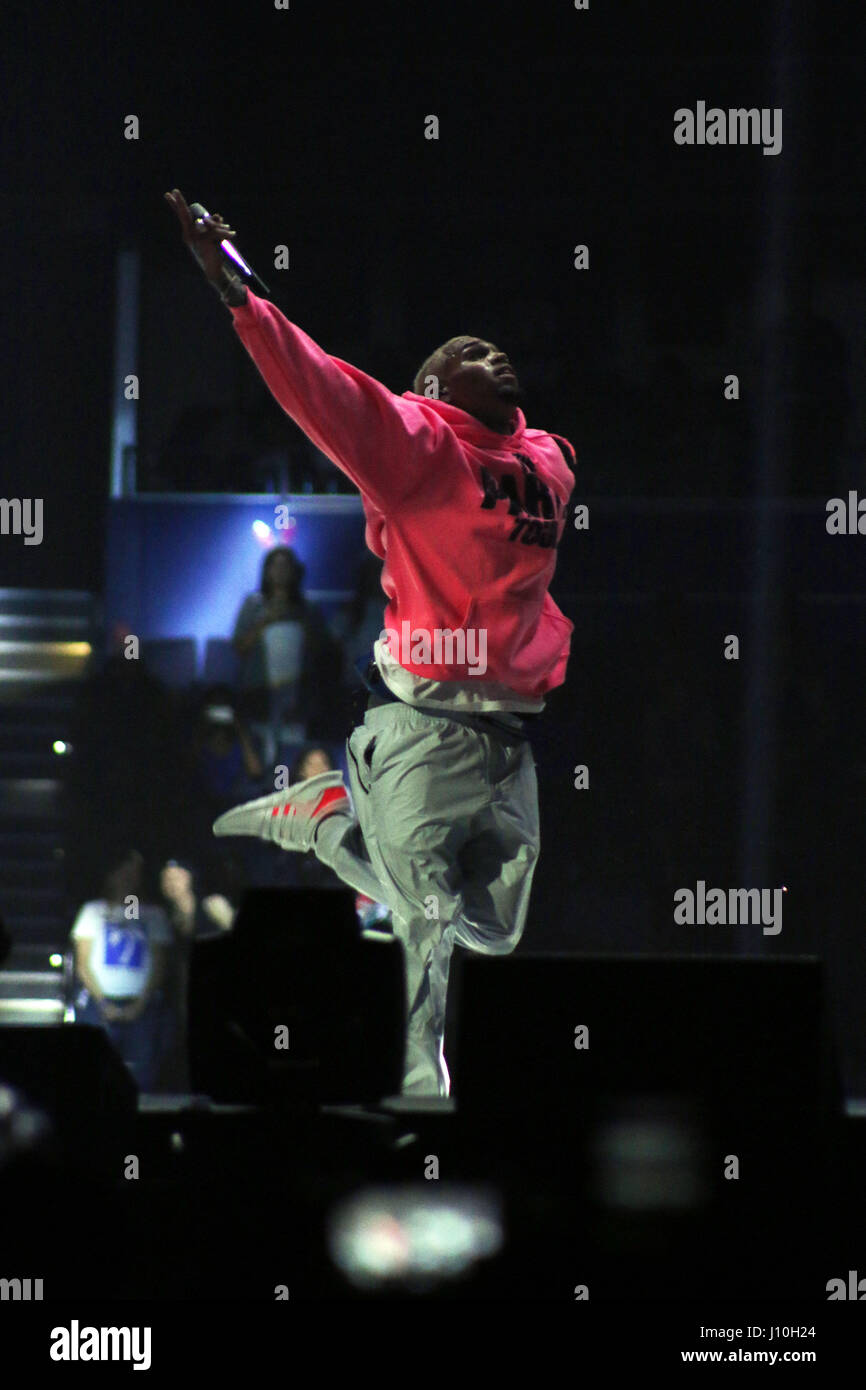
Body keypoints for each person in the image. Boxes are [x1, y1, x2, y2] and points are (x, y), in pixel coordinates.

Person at [165, 190, 576, 1097]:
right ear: (429, 391)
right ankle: (420, 1115)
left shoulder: (550, 460)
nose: (491, 353)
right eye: (465, 355)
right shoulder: (417, 445)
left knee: (494, 931)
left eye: (496, 348)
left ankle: (330, 821)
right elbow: (321, 385)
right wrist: (237, 289)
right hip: (422, 726)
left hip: (509, 740)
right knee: (425, 932)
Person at [70, 849, 173, 1092]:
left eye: (134, 872)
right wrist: (103, 1003)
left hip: (142, 1008)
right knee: (93, 1073)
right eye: (124, 871)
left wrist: (138, 1005)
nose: (129, 877)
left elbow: (159, 965)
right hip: (98, 1007)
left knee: (141, 1075)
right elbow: (82, 963)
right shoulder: (92, 911)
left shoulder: (153, 915)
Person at [232, 546, 344, 762]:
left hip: (298, 696)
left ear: (295, 571)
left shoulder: (308, 608)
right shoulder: (252, 605)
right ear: (266, 571)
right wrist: (266, 621)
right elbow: (239, 647)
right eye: (275, 565)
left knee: (292, 757)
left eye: (285, 565)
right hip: (260, 693)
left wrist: (298, 621)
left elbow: (320, 650)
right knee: (263, 754)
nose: (280, 570)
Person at [158, 859, 235, 1090]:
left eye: (177, 876)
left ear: (189, 877)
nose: (171, 883)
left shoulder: (212, 905)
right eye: (166, 878)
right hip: (175, 999)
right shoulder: (160, 914)